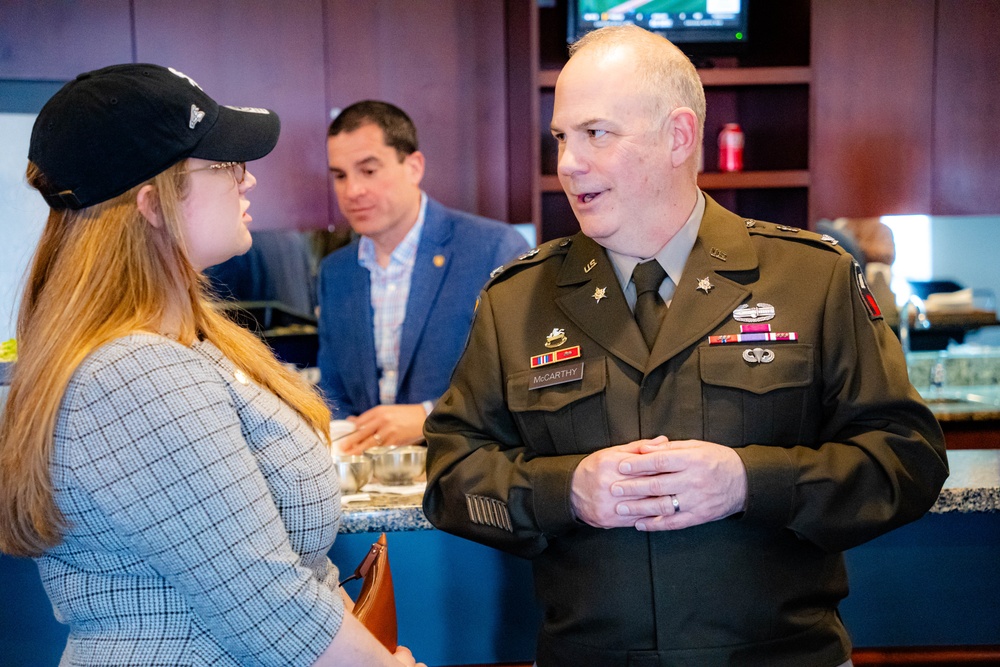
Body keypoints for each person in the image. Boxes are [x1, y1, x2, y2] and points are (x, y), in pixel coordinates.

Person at [423, 26, 948, 667]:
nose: (567, 163)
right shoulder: (516, 301)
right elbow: (450, 480)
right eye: (561, 137)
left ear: (678, 136)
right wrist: (564, 493)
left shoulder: (812, 278)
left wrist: (751, 483)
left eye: (597, 134)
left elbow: (908, 463)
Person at [0, 64, 423, 667]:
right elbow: (267, 605)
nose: (247, 180)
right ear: (152, 203)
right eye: (224, 164)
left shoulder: (178, 344)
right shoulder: (137, 375)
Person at [317, 101, 528, 454]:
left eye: (368, 171)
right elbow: (332, 391)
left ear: (413, 166)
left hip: (463, 479)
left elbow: (525, 385)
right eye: (340, 175)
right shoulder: (335, 272)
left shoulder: (495, 249)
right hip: (367, 482)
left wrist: (430, 417)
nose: (352, 191)